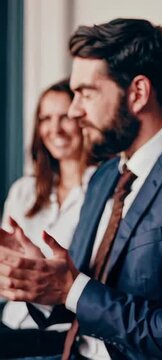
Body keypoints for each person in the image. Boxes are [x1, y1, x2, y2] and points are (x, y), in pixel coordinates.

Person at [0, 18, 162, 359]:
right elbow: (83, 301)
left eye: (85, 93)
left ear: (137, 93)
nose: (75, 111)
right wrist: (45, 282)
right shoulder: (106, 176)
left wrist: (72, 288)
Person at [0, 78, 95, 358]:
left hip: (63, 337)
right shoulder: (23, 191)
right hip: (9, 323)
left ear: (81, 118)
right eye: (45, 118)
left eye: (64, 117)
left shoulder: (103, 193)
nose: (55, 129)